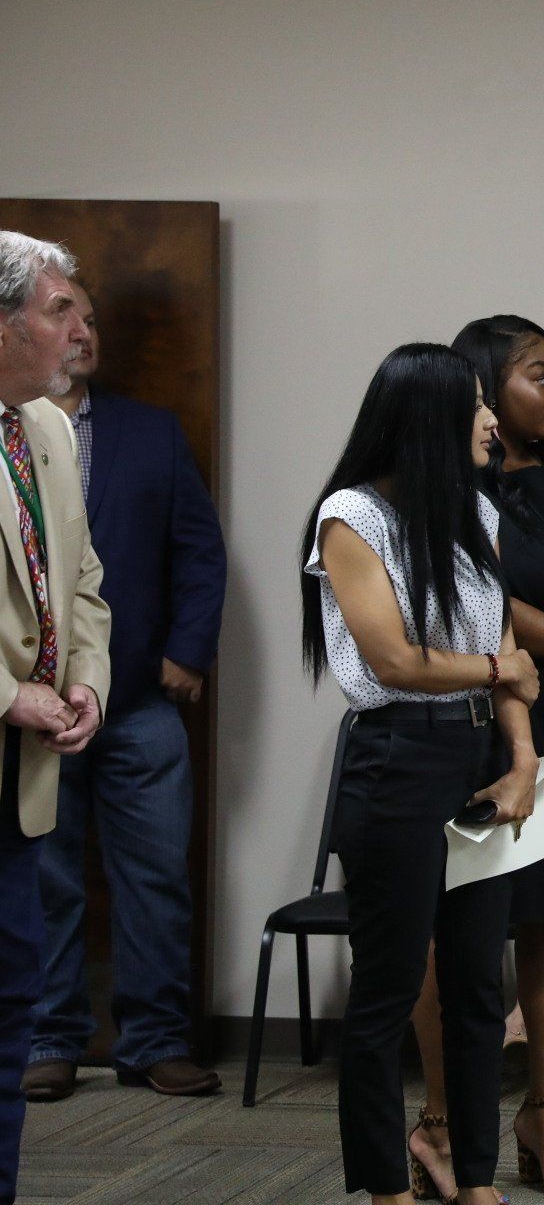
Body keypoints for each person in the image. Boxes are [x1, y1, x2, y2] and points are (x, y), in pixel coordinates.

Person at [301, 342, 537, 1205]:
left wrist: (520, 761)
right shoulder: (351, 517)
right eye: (474, 405)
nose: (489, 419)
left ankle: (473, 1178)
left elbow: (507, 648)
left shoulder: (478, 516)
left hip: (479, 753)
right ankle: (385, 1187)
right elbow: (396, 662)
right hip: (398, 758)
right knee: (390, 988)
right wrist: (495, 674)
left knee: (479, 983)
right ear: (430, 420)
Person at [405, 315, 544, 1202]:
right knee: (458, 929)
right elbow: (488, 602)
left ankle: (542, 1111)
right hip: (492, 712)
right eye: (540, 377)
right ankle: (441, 1119)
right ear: (486, 387)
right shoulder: (455, 484)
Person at [25, 278, 227, 1103]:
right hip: (33, 709)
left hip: (140, 696)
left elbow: (201, 551)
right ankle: (49, 1039)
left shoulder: (150, 432)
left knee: (155, 877)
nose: (84, 332)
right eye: (66, 316)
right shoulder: (5, 434)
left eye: (93, 318)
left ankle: (156, 1041)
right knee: (45, 877)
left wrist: (189, 650)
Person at [0, 231, 111, 1205]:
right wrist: (7, 691)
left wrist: (84, 679)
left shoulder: (43, 426)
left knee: (9, 1012)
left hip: (21, 781)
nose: (81, 327)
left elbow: (79, 577)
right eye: (61, 308)